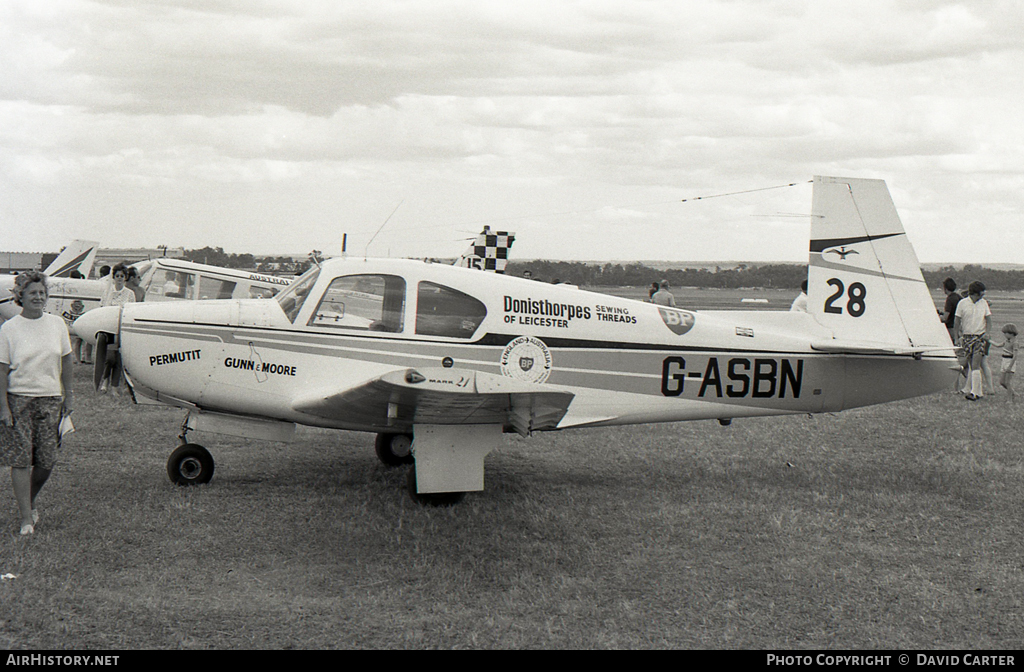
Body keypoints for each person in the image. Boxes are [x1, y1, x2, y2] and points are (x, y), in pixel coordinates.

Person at [0, 271, 73, 535]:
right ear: (20, 295)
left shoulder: (57, 325)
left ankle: (28, 502)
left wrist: (69, 395)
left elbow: (66, 360)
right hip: (18, 399)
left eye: (42, 292)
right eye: (32, 293)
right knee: (20, 460)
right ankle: (25, 519)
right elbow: (1, 370)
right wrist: (3, 407)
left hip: (50, 398)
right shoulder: (9, 329)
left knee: (46, 460)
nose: (38, 297)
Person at [97, 264, 135, 394]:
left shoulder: (130, 294)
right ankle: (105, 381)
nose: (119, 278)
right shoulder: (107, 292)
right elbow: (101, 308)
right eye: (117, 276)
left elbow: (131, 311)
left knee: (119, 358)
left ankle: (114, 386)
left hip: (121, 328)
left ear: (125, 278)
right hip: (108, 326)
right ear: (113, 277)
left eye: (122, 276)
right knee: (109, 358)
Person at [954, 280, 992, 401]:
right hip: (967, 337)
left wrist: (987, 332)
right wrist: (956, 337)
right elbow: (957, 321)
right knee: (971, 364)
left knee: (975, 364)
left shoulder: (984, 303)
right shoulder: (962, 303)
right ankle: (978, 391)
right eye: (981, 294)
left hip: (979, 337)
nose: (982, 297)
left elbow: (988, 319)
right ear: (974, 294)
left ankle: (974, 392)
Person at [991, 323, 1018, 402]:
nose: (1004, 335)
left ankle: (1010, 399)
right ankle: (1012, 393)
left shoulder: (1015, 343)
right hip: (1004, 361)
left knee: (1007, 382)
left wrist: (1010, 366)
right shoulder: (1006, 341)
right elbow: (998, 345)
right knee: (1002, 382)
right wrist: (989, 341)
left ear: (1011, 333)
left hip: (1009, 361)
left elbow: (1015, 356)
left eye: (1005, 333)